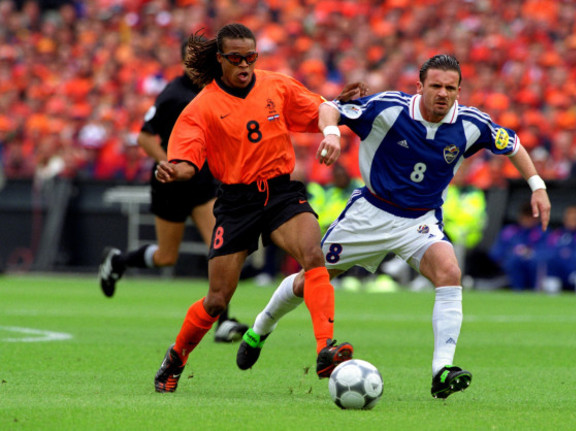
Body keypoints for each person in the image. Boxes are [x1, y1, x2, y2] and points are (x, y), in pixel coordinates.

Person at [236, 54, 551, 399]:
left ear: (459, 90)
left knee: (449, 271)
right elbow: (330, 108)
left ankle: (442, 371)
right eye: (435, 86)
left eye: (450, 88)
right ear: (420, 86)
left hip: (420, 220)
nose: (443, 94)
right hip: (369, 214)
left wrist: (538, 186)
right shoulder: (389, 108)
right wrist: (331, 134)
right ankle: (260, 328)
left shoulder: (472, 124)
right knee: (309, 280)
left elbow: (514, 145)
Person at [151, 24, 368, 393]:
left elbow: (318, 111)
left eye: (250, 57)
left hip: (281, 192)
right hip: (237, 202)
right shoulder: (200, 108)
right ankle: (176, 357)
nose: (245, 65)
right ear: (220, 59)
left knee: (314, 255)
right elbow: (187, 160)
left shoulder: (277, 86)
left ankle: (325, 350)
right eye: (236, 58)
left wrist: (336, 104)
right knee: (218, 300)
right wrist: (176, 170)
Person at [98, 37, 249, 343]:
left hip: (202, 183)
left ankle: (224, 321)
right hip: (171, 183)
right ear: (183, 62)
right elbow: (144, 137)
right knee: (167, 256)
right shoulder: (173, 95)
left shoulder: (216, 90)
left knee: (219, 247)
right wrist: (168, 162)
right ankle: (118, 262)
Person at [489, 202, 547, 290]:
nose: (528, 220)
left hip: (533, 269)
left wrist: (530, 254)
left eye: (531, 217)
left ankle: (535, 292)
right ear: (520, 216)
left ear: (536, 218)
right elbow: (495, 253)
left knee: (536, 262)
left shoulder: (542, 232)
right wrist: (513, 253)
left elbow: (548, 253)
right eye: (526, 216)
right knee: (513, 261)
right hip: (511, 270)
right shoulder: (509, 232)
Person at [539, 205, 576, 294]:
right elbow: (547, 251)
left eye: (575, 218)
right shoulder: (556, 234)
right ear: (564, 219)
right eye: (570, 218)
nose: (572, 221)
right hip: (557, 273)